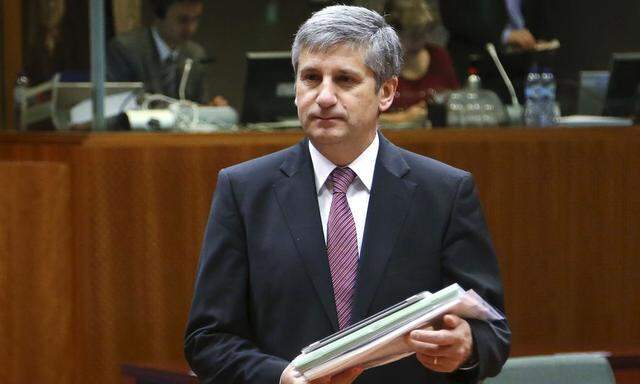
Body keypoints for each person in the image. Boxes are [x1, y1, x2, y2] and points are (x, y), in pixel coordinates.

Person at [184, 5, 510, 384]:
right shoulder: (243, 191)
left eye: (344, 80)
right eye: (310, 78)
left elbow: (494, 333)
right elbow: (206, 340)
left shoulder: (445, 193)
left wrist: (466, 345)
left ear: (386, 92)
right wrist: (281, 378)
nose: (324, 96)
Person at [107, 0, 223, 105]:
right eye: (183, 20)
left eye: (195, 19)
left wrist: (211, 108)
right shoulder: (126, 49)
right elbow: (116, 107)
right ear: (159, 14)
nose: (190, 28)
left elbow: (199, 106)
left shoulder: (195, 54)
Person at [439, 0, 554, 102]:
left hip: (526, 69)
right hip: (480, 67)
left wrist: (539, 39)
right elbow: (453, 16)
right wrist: (505, 35)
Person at [380, 0, 459, 125]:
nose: (420, 40)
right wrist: (404, 118)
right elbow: (360, 118)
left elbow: (457, 106)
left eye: (424, 31)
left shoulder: (438, 56)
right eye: (412, 33)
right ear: (392, 32)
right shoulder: (378, 63)